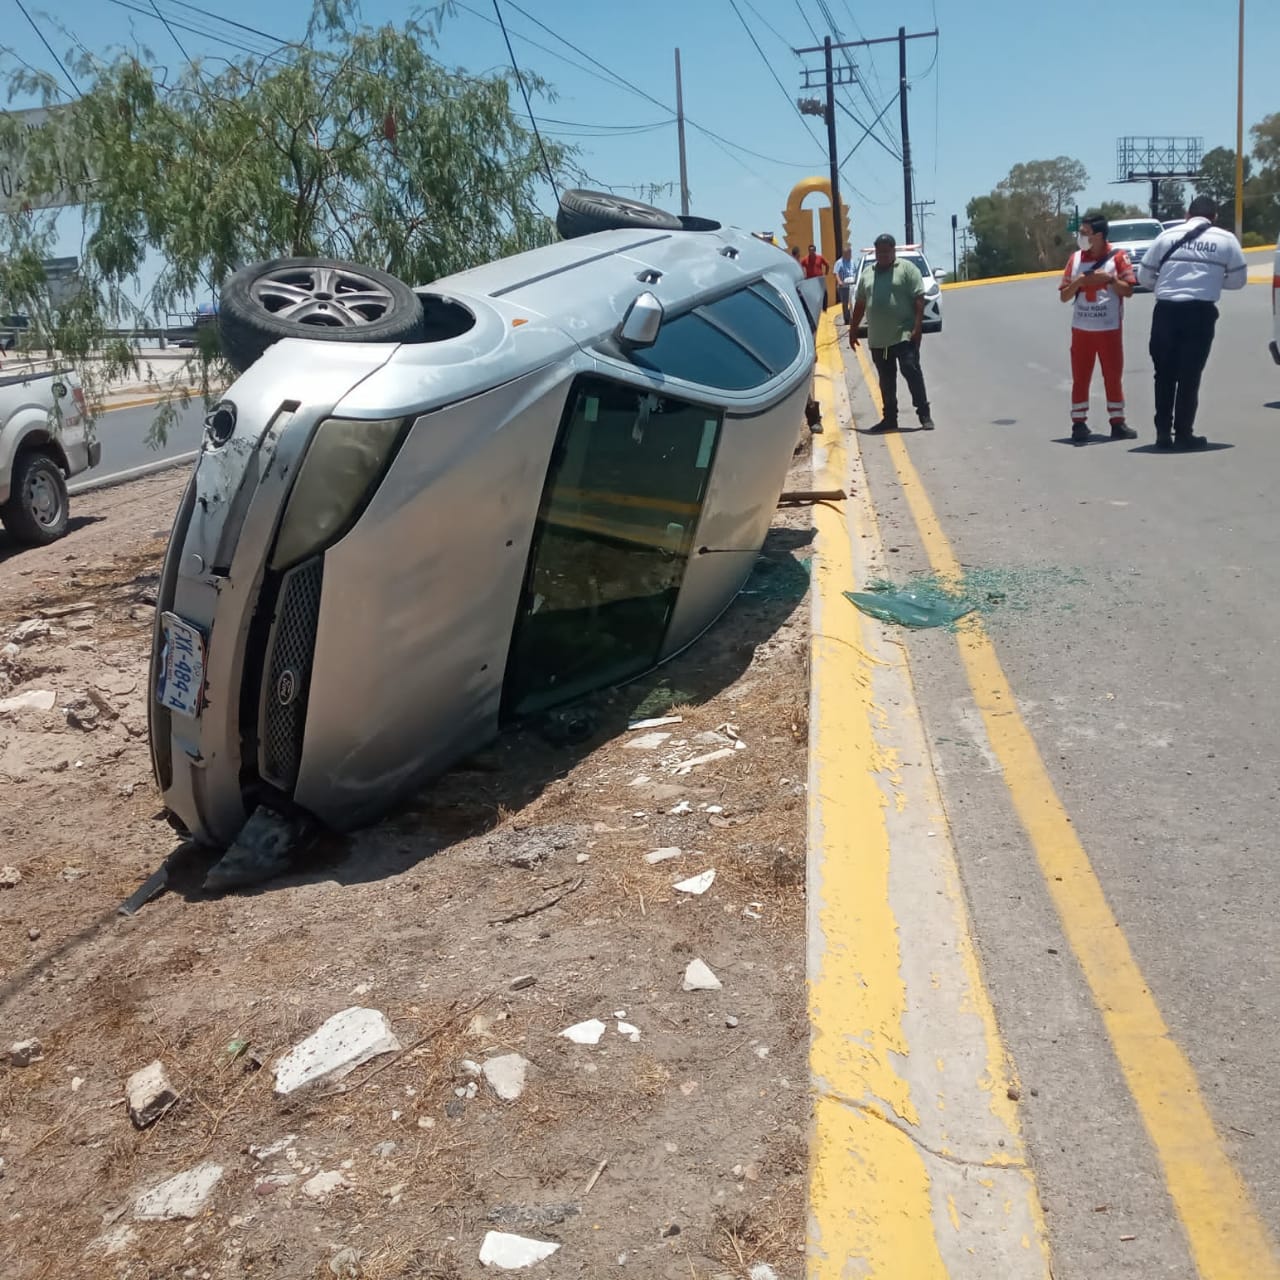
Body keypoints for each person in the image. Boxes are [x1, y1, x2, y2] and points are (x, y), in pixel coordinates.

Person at [1136, 194, 1249, 449]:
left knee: (1164, 374)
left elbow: (1143, 276)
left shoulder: (1166, 236)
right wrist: (1210, 281)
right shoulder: (1226, 240)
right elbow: (1238, 280)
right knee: (1190, 375)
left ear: (1187, 215)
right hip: (1200, 313)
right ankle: (1184, 434)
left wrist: (1166, 286)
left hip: (1166, 311)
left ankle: (1162, 433)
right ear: (1214, 217)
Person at [1058, 212, 1138, 444]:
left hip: (1109, 329)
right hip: (1081, 330)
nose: (1081, 237)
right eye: (1081, 232)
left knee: (1113, 376)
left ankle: (1117, 422)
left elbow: (1128, 291)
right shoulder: (1075, 259)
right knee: (1080, 378)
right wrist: (1080, 282)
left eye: (1085, 233)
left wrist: (1110, 280)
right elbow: (1064, 296)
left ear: (1099, 235)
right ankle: (1079, 423)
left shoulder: (1118, 257)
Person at [848, 233, 935, 431]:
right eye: (879, 252)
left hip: (903, 335)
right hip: (881, 340)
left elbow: (919, 299)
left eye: (886, 252)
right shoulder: (868, 274)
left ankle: (924, 414)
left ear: (893, 251)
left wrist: (918, 327)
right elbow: (860, 304)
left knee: (910, 370)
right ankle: (889, 418)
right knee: (886, 379)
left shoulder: (907, 269)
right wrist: (853, 330)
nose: (883, 256)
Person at [833, 245, 858, 325]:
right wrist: (839, 281)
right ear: (844, 253)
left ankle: (853, 318)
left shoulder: (852, 262)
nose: (849, 255)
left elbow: (855, 272)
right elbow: (836, 273)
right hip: (843, 286)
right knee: (845, 303)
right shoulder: (839, 262)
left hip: (852, 286)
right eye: (848, 253)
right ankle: (847, 319)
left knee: (853, 302)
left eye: (850, 253)